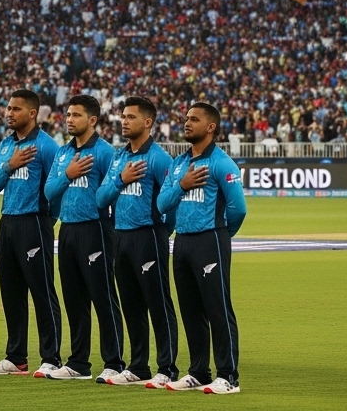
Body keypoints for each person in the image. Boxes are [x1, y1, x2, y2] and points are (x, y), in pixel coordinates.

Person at [158, 103, 247, 395]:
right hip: (182, 241)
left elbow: (238, 210)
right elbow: (161, 204)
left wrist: (219, 235)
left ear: (210, 127)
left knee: (218, 309)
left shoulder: (222, 164)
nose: (187, 123)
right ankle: (198, 371)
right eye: (186, 119)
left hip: (210, 241)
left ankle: (228, 376)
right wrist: (181, 185)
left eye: (194, 119)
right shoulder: (179, 163)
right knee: (190, 311)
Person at [96, 96, 179, 388]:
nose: (124, 121)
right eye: (123, 116)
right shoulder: (119, 157)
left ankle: (167, 368)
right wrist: (120, 179)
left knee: (158, 303)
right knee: (131, 305)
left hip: (148, 236)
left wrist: (159, 233)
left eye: (130, 117)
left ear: (147, 122)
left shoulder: (159, 158)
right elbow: (101, 197)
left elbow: (172, 205)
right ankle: (138, 366)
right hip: (121, 236)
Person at [42, 94, 124, 382]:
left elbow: (113, 192)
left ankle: (114, 362)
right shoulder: (63, 153)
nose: (69, 119)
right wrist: (68, 173)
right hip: (67, 230)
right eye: (67, 114)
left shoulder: (105, 153)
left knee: (102, 296)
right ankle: (78, 363)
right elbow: (49, 192)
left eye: (75, 115)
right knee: (74, 298)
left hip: (96, 229)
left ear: (92, 119)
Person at [0, 89, 63, 376]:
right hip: (7, 223)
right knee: (11, 294)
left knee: (42, 292)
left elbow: (57, 194)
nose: (9, 113)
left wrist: (44, 222)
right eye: (8, 108)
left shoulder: (47, 146)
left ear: (32, 113)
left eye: (16, 109)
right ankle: (16, 357)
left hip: (34, 223)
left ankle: (51, 357)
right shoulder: (5, 146)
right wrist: (9, 165)